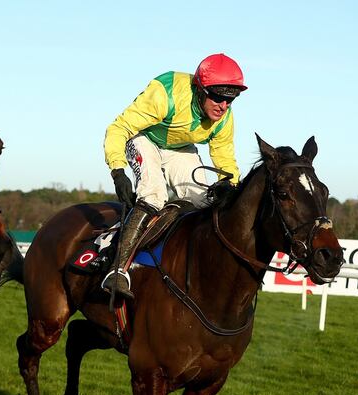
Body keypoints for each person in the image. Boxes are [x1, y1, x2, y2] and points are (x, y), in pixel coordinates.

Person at [100, 53, 247, 300]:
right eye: (217, 97)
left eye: (230, 99)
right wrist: (117, 170)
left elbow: (225, 158)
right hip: (144, 138)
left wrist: (229, 185)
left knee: (206, 202)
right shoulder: (165, 93)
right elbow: (119, 128)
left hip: (180, 150)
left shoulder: (224, 118)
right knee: (154, 195)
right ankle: (117, 270)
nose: (223, 106)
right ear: (199, 89)